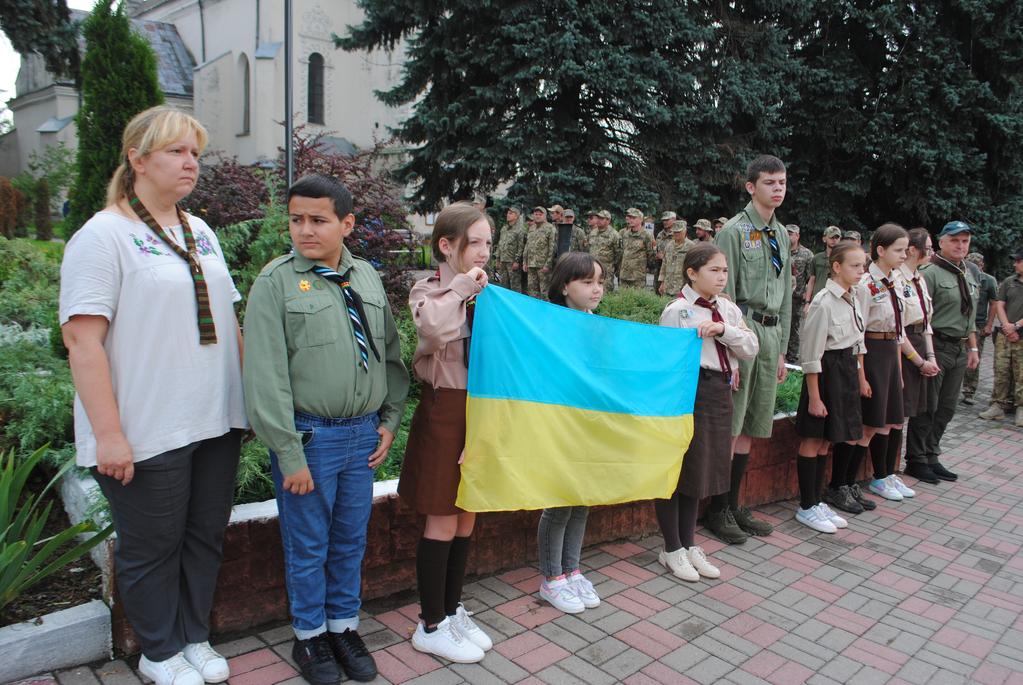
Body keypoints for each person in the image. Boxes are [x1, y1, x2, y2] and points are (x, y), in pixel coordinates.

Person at [59, 106, 247, 685]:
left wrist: (248, 402)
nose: (191, 163)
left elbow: (229, 319)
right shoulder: (103, 236)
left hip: (215, 418)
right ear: (137, 159)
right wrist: (109, 435)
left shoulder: (200, 231)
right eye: (176, 151)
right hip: (148, 426)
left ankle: (194, 636)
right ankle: (158, 651)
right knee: (152, 546)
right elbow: (82, 342)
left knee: (203, 536)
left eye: (195, 153)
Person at [243, 175, 410, 685]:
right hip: (311, 440)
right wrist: (288, 452)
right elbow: (265, 375)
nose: (305, 230)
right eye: (296, 219)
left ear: (347, 223)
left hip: (362, 437)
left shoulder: (366, 278)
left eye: (318, 220)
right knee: (308, 545)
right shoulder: (276, 282)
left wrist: (389, 420)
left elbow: (389, 353)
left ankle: (343, 627)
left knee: (349, 541)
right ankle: (310, 636)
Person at [399, 203, 494, 664]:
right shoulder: (430, 290)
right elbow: (434, 329)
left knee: (467, 511)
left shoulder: (488, 295)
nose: (483, 252)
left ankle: (453, 609)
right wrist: (462, 288)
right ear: (446, 245)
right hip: (445, 409)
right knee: (442, 514)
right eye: (474, 242)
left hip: (483, 409)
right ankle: (431, 623)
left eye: (488, 243)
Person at [658, 244, 759, 577]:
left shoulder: (727, 309)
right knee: (679, 469)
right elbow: (665, 359)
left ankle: (688, 544)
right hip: (688, 393)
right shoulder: (677, 311)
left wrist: (723, 330)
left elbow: (750, 347)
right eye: (714, 270)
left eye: (724, 270)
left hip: (719, 391)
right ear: (692, 273)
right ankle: (671, 547)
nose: (721, 277)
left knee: (700, 470)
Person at [708, 154, 791, 544]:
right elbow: (724, 296)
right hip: (744, 331)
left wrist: (783, 350)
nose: (778, 189)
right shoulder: (734, 232)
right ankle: (717, 509)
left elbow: (786, 293)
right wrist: (733, 355)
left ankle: (735, 503)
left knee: (752, 425)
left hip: (771, 336)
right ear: (751, 187)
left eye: (782, 182)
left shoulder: (781, 234)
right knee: (733, 425)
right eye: (770, 182)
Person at [536, 252, 607, 614]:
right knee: (559, 501)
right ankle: (552, 578)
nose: (596, 289)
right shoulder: (548, 325)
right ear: (564, 287)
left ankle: (573, 570)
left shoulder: (600, 326)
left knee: (582, 498)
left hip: (588, 424)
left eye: (600, 282)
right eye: (587, 282)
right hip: (559, 424)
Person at [794, 243, 866, 532]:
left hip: (844, 371)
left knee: (827, 439)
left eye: (862, 266)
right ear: (836, 267)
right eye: (854, 266)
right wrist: (814, 397)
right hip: (825, 373)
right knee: (813, 438)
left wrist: (859, 378)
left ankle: (817, 499)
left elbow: (856, 342)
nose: (861, 271)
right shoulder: (823, 302)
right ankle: (806, 505)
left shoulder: (853, 297)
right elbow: (811, 354)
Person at [905, 221, 979, 483]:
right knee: (928, 406)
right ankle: (916, 459)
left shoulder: (969, 271)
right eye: (955, 240)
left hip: (959, 348)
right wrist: (925, 354)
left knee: (947, 407)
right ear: (941, 242)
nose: (961, 245)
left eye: (965, 241)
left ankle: (931, 454)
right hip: (936, 345)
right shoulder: (930, 272)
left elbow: (969, 315)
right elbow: (921, 317)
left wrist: (972, 346)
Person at [851, 224, 920, 503]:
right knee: (872, 420)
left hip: (891, 351)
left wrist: (900, 370)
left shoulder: (897, 281)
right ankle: (856, 480)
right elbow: (858, 331)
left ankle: (886, 474)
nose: (905, 255)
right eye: (899, 250)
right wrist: (862, 374)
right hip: (873, 350)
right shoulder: (866, 284)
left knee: (892, 419)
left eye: (906, 250)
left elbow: (900, 329)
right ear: (880, 250)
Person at [891, 228, 940, 487]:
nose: (931, 252)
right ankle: (889, 470)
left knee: (917, 408)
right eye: (928, 248)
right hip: (905, 346)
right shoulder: (897, 278)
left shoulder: (919, 278)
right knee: (899, 411)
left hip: (921, 343)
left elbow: (926, 322)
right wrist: (918, 361)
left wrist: (930, 356)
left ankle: (897, 468)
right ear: (913, 250)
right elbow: (899, 328)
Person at [979, 250, 1023, 426]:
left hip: (1020, 334)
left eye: (1018, 261)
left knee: (1021, 374)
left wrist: (1016, 326)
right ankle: (998, 405)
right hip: (1005, 335)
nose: (1014, 264)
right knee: (1001, 370)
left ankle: (1021, 408)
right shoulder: (1009, 282)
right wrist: (1007, 326)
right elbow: (999, 304)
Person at [961, 252, 998, 405]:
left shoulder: (989, 280)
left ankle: (969, 390)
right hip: (960, 323)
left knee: (974, 357)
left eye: (976, 265)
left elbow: (994, 303)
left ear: (982, 265)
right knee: (957, 356)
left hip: (978, 325)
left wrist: (989, 325)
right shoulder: (961, 276)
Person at [786, 224, 814, 364]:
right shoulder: (779, 250)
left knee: (794, 327)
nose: (788, 236)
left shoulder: (806, 254)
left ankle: (792, 358)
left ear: (797, 236)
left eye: (791, 233)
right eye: (786, 233)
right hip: (780, 295)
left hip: (796, 297)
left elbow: (810, 277)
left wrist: (806, 296)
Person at [523, 206, 556, 300]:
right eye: (536, 214)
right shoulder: (532, 228)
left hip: (542, 266)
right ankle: (533, 308)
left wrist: (547, 265)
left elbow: (552, 248)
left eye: (540, 214)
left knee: (544, 292)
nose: (537, 216)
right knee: (532, 291)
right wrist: (525, 262)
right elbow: (527, 246)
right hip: (531, 264)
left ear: (545, 216)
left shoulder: (550, 228)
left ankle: (546, 308)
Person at [620, 207, 655, 288]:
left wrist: (646, 268)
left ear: (641, 219)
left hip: (637, 276)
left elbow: (651, 254)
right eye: (630, 218)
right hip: (624, 275)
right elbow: (622, 252)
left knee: (637, 296)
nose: (631, 220)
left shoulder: (647, 235)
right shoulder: (625, 234)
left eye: (634, 218)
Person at [588, 209, 622, 288]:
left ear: (608, 220)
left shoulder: (614, 235)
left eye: (602, 218)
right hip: (592, 269)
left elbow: (619, 254)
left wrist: (613, 267)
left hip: (606, 271)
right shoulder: (593, 232)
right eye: (598, 218)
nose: (599, 220)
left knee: (605, 292)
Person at [495, 206, 526, 293]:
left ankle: (516, 301)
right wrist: (498, 259)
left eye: (511, 213)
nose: (508, 215)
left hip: (512, 262)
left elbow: (521, 246)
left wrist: (517, 261)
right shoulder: (504, 228)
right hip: (503, 260)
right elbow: (500, 244)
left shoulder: (520, 230)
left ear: (516, 216)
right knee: (503, 285)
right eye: (508, 213)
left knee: (515, 286)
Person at [807, 226, 843, 299]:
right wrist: (807, 301)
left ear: (840, 239)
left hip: (836, 298)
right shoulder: (817, 258)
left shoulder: (844, 259)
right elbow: (812, 280)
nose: (834, 240)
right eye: (831, 237)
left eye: (836, 238)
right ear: (824, 239)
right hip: (817, 298)